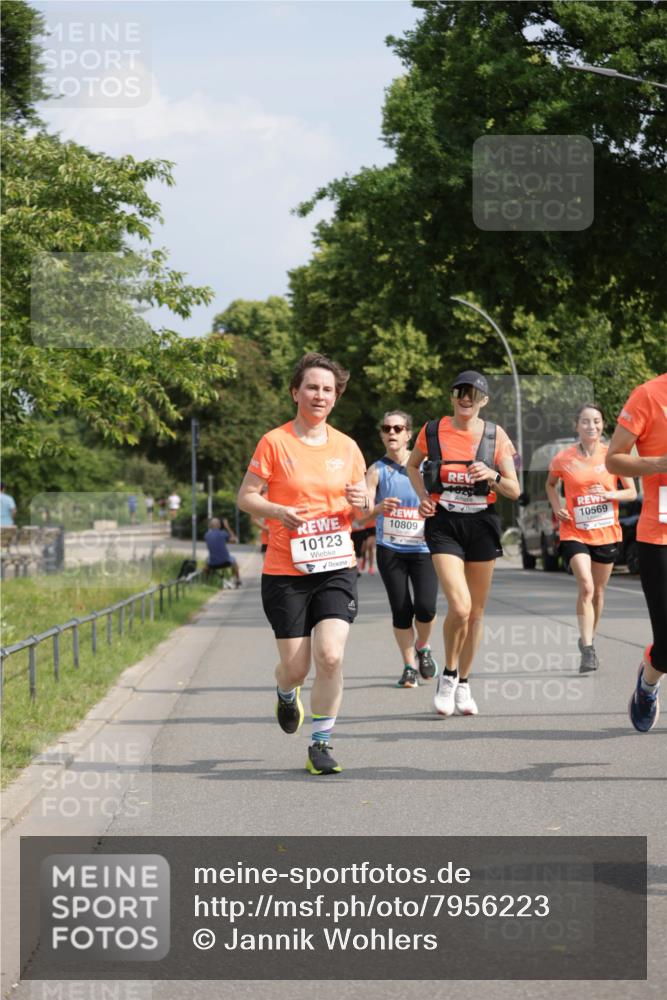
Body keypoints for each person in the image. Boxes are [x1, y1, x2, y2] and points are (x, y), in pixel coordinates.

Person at [237, 351, 369, 775]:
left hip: (335, 565)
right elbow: (246, 497)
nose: (320, 395)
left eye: (328, 389)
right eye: (312, 387)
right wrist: (277, 511)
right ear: (296, 392)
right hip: (285, 570)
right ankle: (284, 690)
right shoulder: (275, 442)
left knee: (330, 656)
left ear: (336, 398)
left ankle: (321, 743)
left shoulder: (347, 447)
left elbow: (362, 511)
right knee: (297, 667)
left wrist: (362, 503)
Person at [407, 371, 520, 717]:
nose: (465, 398)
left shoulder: (495, 435)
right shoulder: (431, 431)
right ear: (452, 396)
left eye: (473, 393)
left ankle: (465, 682)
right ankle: (448, 674)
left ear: (484, 400)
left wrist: (494, 475)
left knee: (476, 613)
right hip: (444, 523)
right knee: (460, 606)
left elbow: (514, 490)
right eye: (460, 392)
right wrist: (423, 497)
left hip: (482, 524)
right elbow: (413, 467)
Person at [546, 404, 636, 672]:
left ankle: (589, 637)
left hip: (606, 531)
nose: (591, 426)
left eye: (596, 421)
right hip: (574, 530)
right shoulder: (563, 458)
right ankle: (587, 648)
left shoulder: (614, 457)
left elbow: (630, 493)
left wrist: (611, 495)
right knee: (585, 586)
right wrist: (556, 506)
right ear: (577, 426)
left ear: (603, 425)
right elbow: (550, 484)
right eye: (585, 422)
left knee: (598, 591)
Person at [606, 372, 667, 733]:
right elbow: (614, 460)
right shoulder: (648, 395)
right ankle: (648, 682)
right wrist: (658, 464)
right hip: (660, 536)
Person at [366, 410, 439, 689]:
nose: (392, 433)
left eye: (398, 428)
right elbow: (360, 515)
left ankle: (423, 645)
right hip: (390, 549)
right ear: (382, 434)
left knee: (426, 607)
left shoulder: (425, 466)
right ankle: (409, 667)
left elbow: (442, 501)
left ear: (409, 434)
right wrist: (377, 508)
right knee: (401, 609)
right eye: (387, 428)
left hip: (423, 548)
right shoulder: (376, 470)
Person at [204, 517, 241, 587]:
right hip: (225, 561)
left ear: (211, 526)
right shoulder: (223, 533)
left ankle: (206, 582)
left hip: (212, 563)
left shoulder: (206, 535)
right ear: (219, 525)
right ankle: (237, 579)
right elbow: (235, 540)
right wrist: (227, 526)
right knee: (234, 560)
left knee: (206, 563)